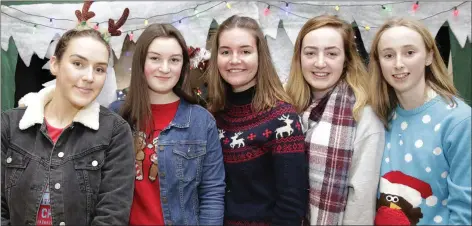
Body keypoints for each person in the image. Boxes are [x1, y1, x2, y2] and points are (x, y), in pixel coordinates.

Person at [1, 27, 135, 225]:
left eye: (99, 69)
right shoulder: (9, 125)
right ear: (55, 64)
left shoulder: (115, 132)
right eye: (78, 63)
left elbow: (112, 215)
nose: (89, 77)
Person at [108, 23, 225, 226]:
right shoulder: (117, 115)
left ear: (183, 65)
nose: (165, 68)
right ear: (141, 62)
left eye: (174, 60)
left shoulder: (201, 121)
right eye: (155, 58)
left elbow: (212, 193)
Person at [205, 15, 308, 225]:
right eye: (226, 52)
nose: (234, 60)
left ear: (260, 55)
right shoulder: (212, 115)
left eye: (245, 51)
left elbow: (291, 204)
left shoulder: (281, 118)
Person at [368, 18, 471, 225]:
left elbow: (465, 212)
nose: (398, 64)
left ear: (429, 56)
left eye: (409, 53)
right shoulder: (377, 116)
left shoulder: (459, 121)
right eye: (388, 55)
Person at [285, 15, 385, 225]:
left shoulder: (363, 115)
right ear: (299, 57)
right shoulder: (288, 107)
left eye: (331, 53)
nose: (320, 63)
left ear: (346, 59)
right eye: (310, 53)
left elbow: (361, 200)